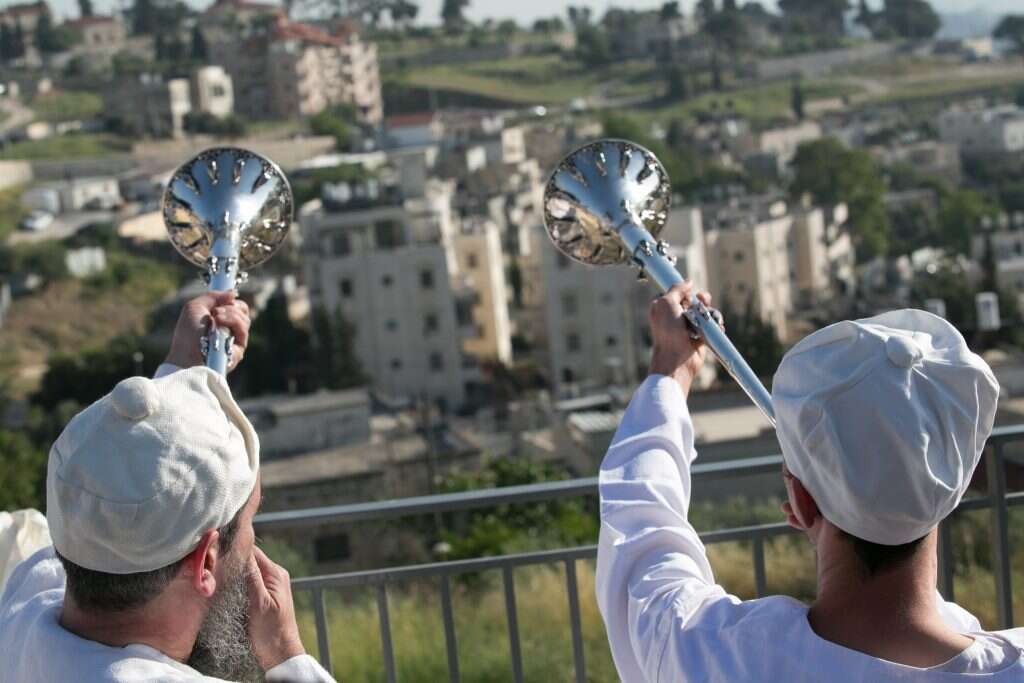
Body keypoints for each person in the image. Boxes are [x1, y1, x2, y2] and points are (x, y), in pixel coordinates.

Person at [597, 282, 1024, 681]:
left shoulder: (722, 657)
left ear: (800, 503)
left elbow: (640, 537)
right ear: (952, 486)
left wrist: (670, 374)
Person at [0, 292, 336, 683]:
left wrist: (176, 379)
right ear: (205, 562)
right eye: (249, 521)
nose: (253, 543)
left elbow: (128, 492)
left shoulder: (23, 610)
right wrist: (286, 653)